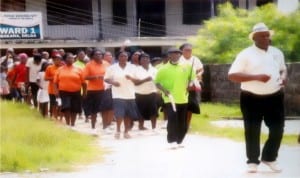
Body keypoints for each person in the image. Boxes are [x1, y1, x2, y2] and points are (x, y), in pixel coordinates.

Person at [228, 22, 287, 173]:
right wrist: (257, 77)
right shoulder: (245, 54)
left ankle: (269, 157)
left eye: (268, 35)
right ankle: (252, 161)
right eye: (262, 36)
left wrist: (283, 77)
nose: (267, 38)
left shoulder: (277, 52)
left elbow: (283, 69)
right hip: (251, 98)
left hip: (275, 96)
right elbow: (233, 75)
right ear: (254, 38)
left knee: (277, 129)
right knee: (252, 130)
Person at [154, 47, 195, 148]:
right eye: (172, 54)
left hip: (183, 97)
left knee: (182, 121)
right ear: (169, 56)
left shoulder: (187, 66)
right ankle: (172, 140)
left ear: (180, 55)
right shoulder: (163, 69)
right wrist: (164, 90)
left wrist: (190, 84)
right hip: (170, 98)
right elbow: (157, 82)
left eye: (177, 54)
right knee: (172, 119)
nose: (175, 55)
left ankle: (180, 140)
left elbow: (192, 78)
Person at [104, 51, 140, 139]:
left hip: (130, 94)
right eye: (121, 56)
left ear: (128, 58)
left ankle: (126, 131)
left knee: (128, 115)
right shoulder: (112, 68)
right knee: (119, 114)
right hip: (117, 94)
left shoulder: (133, 67)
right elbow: (106, 79)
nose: (124, 58)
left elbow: (138, 81)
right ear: (118, 58)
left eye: (125, 56)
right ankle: (118, 130)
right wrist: (113, 82)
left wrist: (131, 78)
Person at [54, 52, 86, 128]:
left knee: (74, 109)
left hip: (76, 92)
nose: (71, 59)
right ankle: (68, 123)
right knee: (66, 107)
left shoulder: (79, 69)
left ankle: (73, 123)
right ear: (65, 59)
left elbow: (84, 83)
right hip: (64, 92)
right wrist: (56, 91)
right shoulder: (60, 69)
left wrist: (84, 93)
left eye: (72, 58)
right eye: (69, 58)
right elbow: (55, 82)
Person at [83, 49, 110, 135]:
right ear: (93, 56)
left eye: (100, 55)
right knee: (94, 111)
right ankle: (93, 127)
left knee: (105, 109)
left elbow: (111, 74)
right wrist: (96, 77)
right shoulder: (89, 65)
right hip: (93, 90)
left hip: (105, 89)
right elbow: (85, 77)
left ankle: (105, 127)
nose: (98, 56)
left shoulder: (106, 64)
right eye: (96, 55)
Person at [179, 43, 204, 130]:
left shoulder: (195, 59)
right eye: (186, 50)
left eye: (190, 50)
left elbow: (201, 69)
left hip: (192, 85)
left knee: (190, 105)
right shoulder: (179, 59)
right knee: (181, 104)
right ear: (182, 51)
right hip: (180, 85)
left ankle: (187, 124)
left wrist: (199, 74)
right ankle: (180, 123)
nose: (188, 51)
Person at [132, 53, 158, 130]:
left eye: (147, 58)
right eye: (143, 58)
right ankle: (141, 126)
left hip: (152, 93)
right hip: (140, 94)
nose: (145, 60)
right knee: (140, 111)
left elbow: (158, 82)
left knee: (153, 111)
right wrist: (145, 80)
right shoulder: (136, 70)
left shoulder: (154, 70)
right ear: (140, 61)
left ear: (149, 60)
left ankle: (154, 127)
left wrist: (159, 91)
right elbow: (135, 83)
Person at [45, 53, 63, 120]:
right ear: (53, 60)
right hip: (52, 89)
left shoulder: (63, 68)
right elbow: (46, 78)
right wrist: (55, 78)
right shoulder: (49, 68)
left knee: (61, 103)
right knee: (53, 104)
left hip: (61, 89)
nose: (58, 61)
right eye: (56, 59)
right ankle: (54, 116)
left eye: (59, 59)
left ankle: (61, 117)